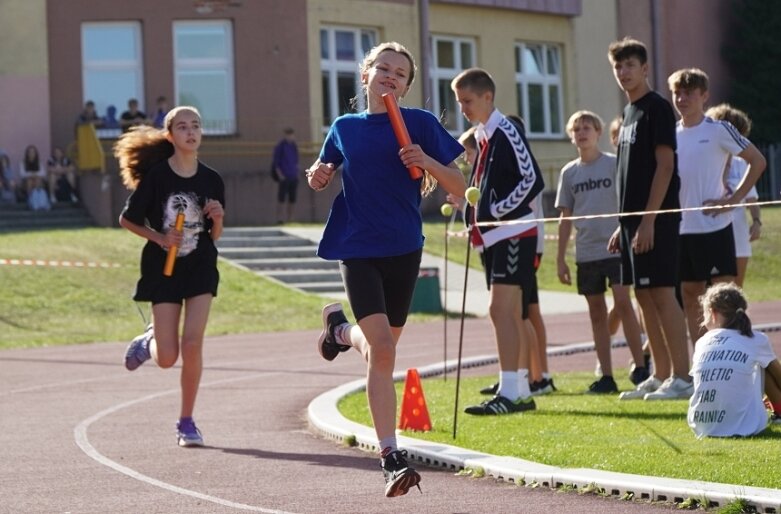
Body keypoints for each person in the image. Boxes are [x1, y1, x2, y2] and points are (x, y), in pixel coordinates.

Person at [306, 41, 465, 497]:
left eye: (400, 73)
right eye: (383, 68)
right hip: (357, 246)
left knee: (383, 349)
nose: (390, 77)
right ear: (366, 75)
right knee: (383, 348)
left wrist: (426, 160)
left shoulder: (420, 123)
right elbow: (324, 169)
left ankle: (338, 332)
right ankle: (391, 456)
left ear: (408, 84)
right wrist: (317, 175)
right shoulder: (345, 127)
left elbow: (460, 184)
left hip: (404, 248)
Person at [115, 106, 225, 448]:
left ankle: (187, 421)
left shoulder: (212, 179)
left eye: (196, 125)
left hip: (200, 267)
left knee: (193, 345)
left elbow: (215, 235)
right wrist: (161, 238)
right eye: (182, 127)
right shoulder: (158, 177)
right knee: (167, 358)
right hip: (163, 269)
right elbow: (127, 219)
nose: (191, 132)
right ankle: (148, 341)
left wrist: (218, 218)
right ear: (170, 135)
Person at [451, 68, 545, 416]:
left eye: (468, 101)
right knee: (511, 313)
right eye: (459, 102)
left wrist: (495, 211)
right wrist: (474, 212)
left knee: (500, 310)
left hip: (513, 232)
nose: (463, 108)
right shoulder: (483, 133)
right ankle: (518, 390)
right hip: (496, 235)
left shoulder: (506, 129)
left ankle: (510, 391)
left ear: (487, 97)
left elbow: (532, 178)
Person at [606, 37, 691, 401]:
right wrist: (622, 224)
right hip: (631, 223)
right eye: (618, 67)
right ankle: (659, 373)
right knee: (642, 294)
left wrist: (648, 220)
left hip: (655, 219)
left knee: (661, 292)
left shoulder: (657, 108)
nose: (624, 72)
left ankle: (682, 377)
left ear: (644, 69)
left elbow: (665, 166)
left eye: (630, 65)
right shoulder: (627, 113)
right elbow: (631, 173)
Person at [667, 68, 766, 349]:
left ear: (704, 96)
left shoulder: (718, 130)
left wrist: (733, 200)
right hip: (682, 229)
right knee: (689, 295)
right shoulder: (670, 135)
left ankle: (733, 354)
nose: (682, 98)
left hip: (714, 227)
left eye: (689, 93)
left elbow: (757, 162)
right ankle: (703, 360)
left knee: (725, 298)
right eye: (677, 93)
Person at [555, 110, 648, 394]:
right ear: (572, 136)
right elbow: (565, 217)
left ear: (598, 132)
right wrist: (560, 259)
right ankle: (606, 375)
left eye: (587, 128)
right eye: (576, 129)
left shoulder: (613, 163)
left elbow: (631, 201)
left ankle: (641, 368)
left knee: (623, 303)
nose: (582, 133)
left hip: (616, 246)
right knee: (596, 313)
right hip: (586, 251)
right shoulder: (569, 173)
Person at [688, 282, 781, 438]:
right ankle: (778, 410)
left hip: (702, 425)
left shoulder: (702, 342)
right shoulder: (756, 339)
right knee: (762, 364)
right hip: (747, 425)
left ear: (712, 313)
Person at [704, 104, 762, 288]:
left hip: (738, 234)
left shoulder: (742, 163)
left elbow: (751, 197)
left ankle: (738, 318)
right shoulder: (705, 161)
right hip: (710, 232)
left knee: (735, 291)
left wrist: (757, 221)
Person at [272, 127, 300, 224]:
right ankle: (280, 218)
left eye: (291, 134)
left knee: (292, 199)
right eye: (288, 134)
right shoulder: (280, 146)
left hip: (293, 175)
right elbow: (276, 163)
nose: (290, 136)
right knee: (281, 198)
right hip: (284, 176)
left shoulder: (294, 146)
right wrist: (280, 175)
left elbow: (296, 161)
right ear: (285, 135)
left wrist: (296, 173)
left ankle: (290, 219)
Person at [19, 144, 50, 211]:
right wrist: (32, 174)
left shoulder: (39, 162)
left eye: (33, 152)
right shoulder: (23, 162)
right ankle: (30, 200)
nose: (31, 153)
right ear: (27, 153)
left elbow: (43, 173)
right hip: (26, 182)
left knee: (37, 180)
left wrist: (34, 175)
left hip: (38, 180)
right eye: (30, 152)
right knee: (29, 181)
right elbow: (22, 174)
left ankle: (37, 200)